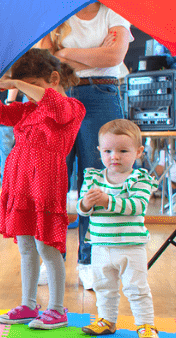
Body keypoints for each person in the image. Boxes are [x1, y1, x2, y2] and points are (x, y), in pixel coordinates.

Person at [0, 48, 84, 330]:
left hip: (46, 178)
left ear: (53, 78)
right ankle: (28, 304)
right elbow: (2, 113)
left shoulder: (71, 107)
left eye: (32, 86)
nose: (27, 94)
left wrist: (15, 83)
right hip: (20, 178)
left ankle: (57, 308)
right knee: (26, 245)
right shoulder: (28, 107)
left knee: (46, 245)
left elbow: (56, 107)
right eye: (24, 89)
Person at [38, 1, 133, 289]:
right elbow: (44, 63)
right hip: (61, 96)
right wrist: (93, 57)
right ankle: (51, 259)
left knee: (97, 179)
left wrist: (64, 55)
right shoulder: (56, 13)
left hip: (102, 93)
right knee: (54, 177)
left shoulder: (112, 12)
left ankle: (89, 260)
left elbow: (115, 54)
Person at [77, 119, 160, 338]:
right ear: (100, 151)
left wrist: (107, 201)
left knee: (136, 287)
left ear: (138, 152)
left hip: (131, 247)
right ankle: (106, 320)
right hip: (100, 245)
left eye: (123, 151)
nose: (114, 156)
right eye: (108, 150)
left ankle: (145, 324)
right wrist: (85, 203)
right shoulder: (93, 177)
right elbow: (83, 211)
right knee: (103, 286)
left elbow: (137, 206)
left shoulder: (140, 178)